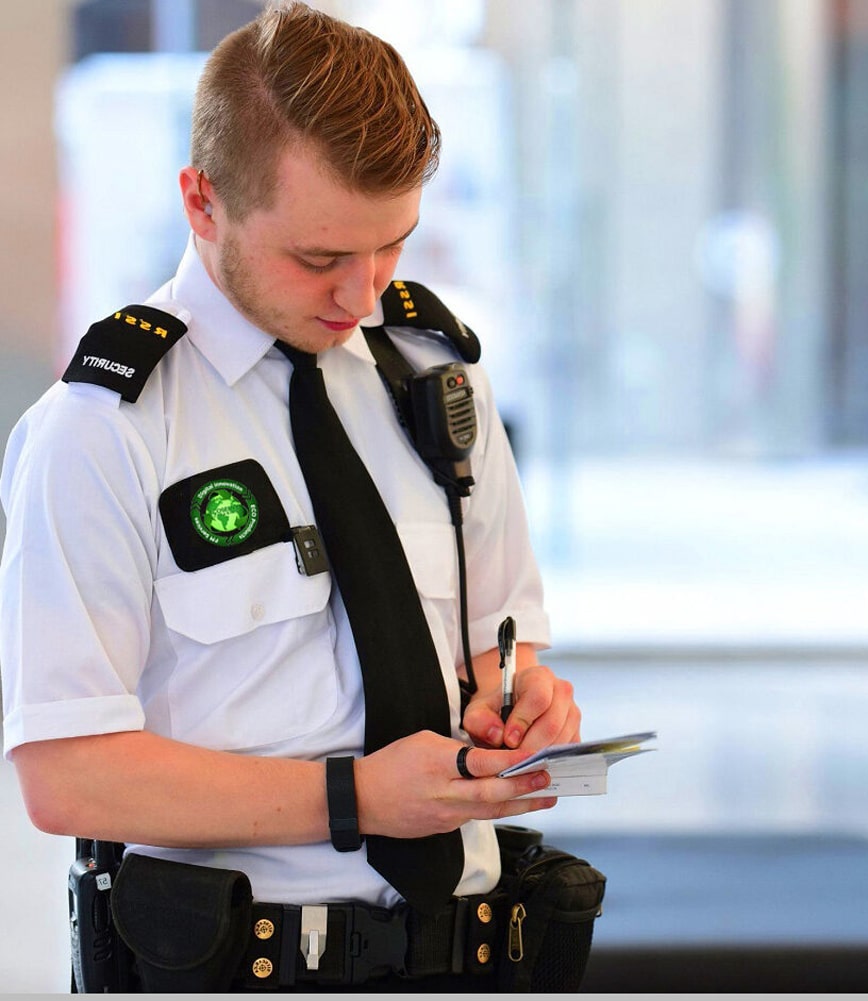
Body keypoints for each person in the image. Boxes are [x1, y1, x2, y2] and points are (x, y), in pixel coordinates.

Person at [0, 1, 581, 991]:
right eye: (318, 257)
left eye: (391, 245)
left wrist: (523, 700)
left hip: (473, 951)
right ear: (202, 201)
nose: (360, 293)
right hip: (242, 961)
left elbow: (501, 643)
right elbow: (67, 773)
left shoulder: (436, 378)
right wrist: (352, 797)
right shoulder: (105, 427)